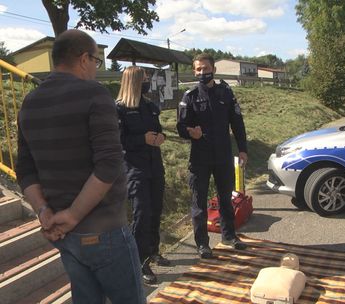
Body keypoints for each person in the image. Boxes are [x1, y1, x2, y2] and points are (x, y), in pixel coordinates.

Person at [15, 29, 145, 303]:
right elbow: (109, 165)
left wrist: (44, 211)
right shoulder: (94, 94)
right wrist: (73, 214)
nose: (96, 70)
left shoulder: (29, 102)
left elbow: (25, 170)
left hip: (62, 234)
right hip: (104, 230)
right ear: (84, 58)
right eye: (96, 61)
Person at [177, 53, 248, 259]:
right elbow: (181, 127)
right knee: (199, 203)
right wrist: (191, 132)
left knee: (226, 198)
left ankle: (229, 236)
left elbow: (237, 123)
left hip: (223, 155)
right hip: (200, 158)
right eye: (198, 69)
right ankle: (202, 244)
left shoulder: (225, 92)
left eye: (205, 69)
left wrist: (242, 148)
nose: (202, 73)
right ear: (194, 71)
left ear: (213, 70)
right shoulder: (189, 96)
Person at [116, 66, 170, 285]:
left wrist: (161, 137)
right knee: (142, 213)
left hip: (155, 165)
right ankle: (139, 261)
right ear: (134, 81)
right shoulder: (119, 108)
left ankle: (153, 251)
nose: (147, 82)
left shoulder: (149, 105)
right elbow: (117, 141)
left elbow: (158, 130)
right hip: (134, 168)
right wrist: (142, 140)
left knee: (156, 210)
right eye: (144, 78)